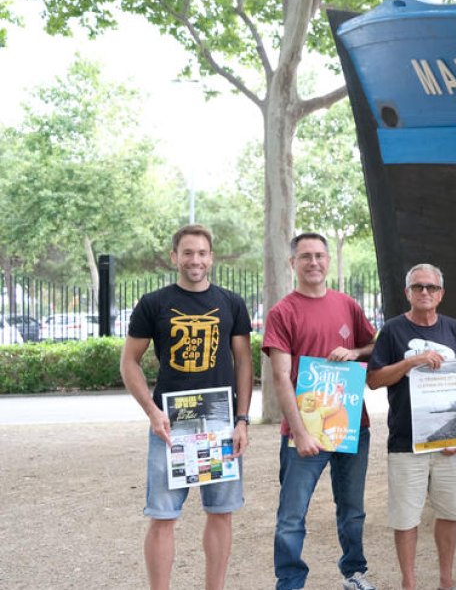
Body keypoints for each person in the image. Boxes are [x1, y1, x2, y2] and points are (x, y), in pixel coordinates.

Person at [118, 224, 253, 590]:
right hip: (170, 423)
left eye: (202, 253)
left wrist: (242, 420)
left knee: (221, 513)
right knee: (163, 517)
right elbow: (129, 362)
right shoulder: (153, 303)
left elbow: (244, 362)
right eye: (188, 252)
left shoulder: (231, 303)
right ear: (174, 257)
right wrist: (151, 410)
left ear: (211, 258)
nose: (195, 260)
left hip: (220, 421)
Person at [263, 232, 377, 590]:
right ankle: (290, 582)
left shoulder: (348, 305)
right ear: (292, 262)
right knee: (292, 516)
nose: (313, 262)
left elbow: (375, 346)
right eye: (305, 256)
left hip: (351, 427)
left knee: (352, 512)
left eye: (319, 256)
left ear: (328, 261)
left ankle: (354, 574)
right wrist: (299, 432)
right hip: (304, 432)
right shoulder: (282, 312)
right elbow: (281, 377)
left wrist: (355, 352)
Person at [368, 263, 456, 590]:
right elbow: (373, 380)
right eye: (418, 287)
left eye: (430, 287)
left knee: (451, 512)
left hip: (448, 445)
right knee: (406, 518)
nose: (424, 292)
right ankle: (409, 584)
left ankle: (446, 580)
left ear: (441, 293)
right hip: (406, 442)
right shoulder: (392, 331)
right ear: (407, 293)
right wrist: (411, 362)